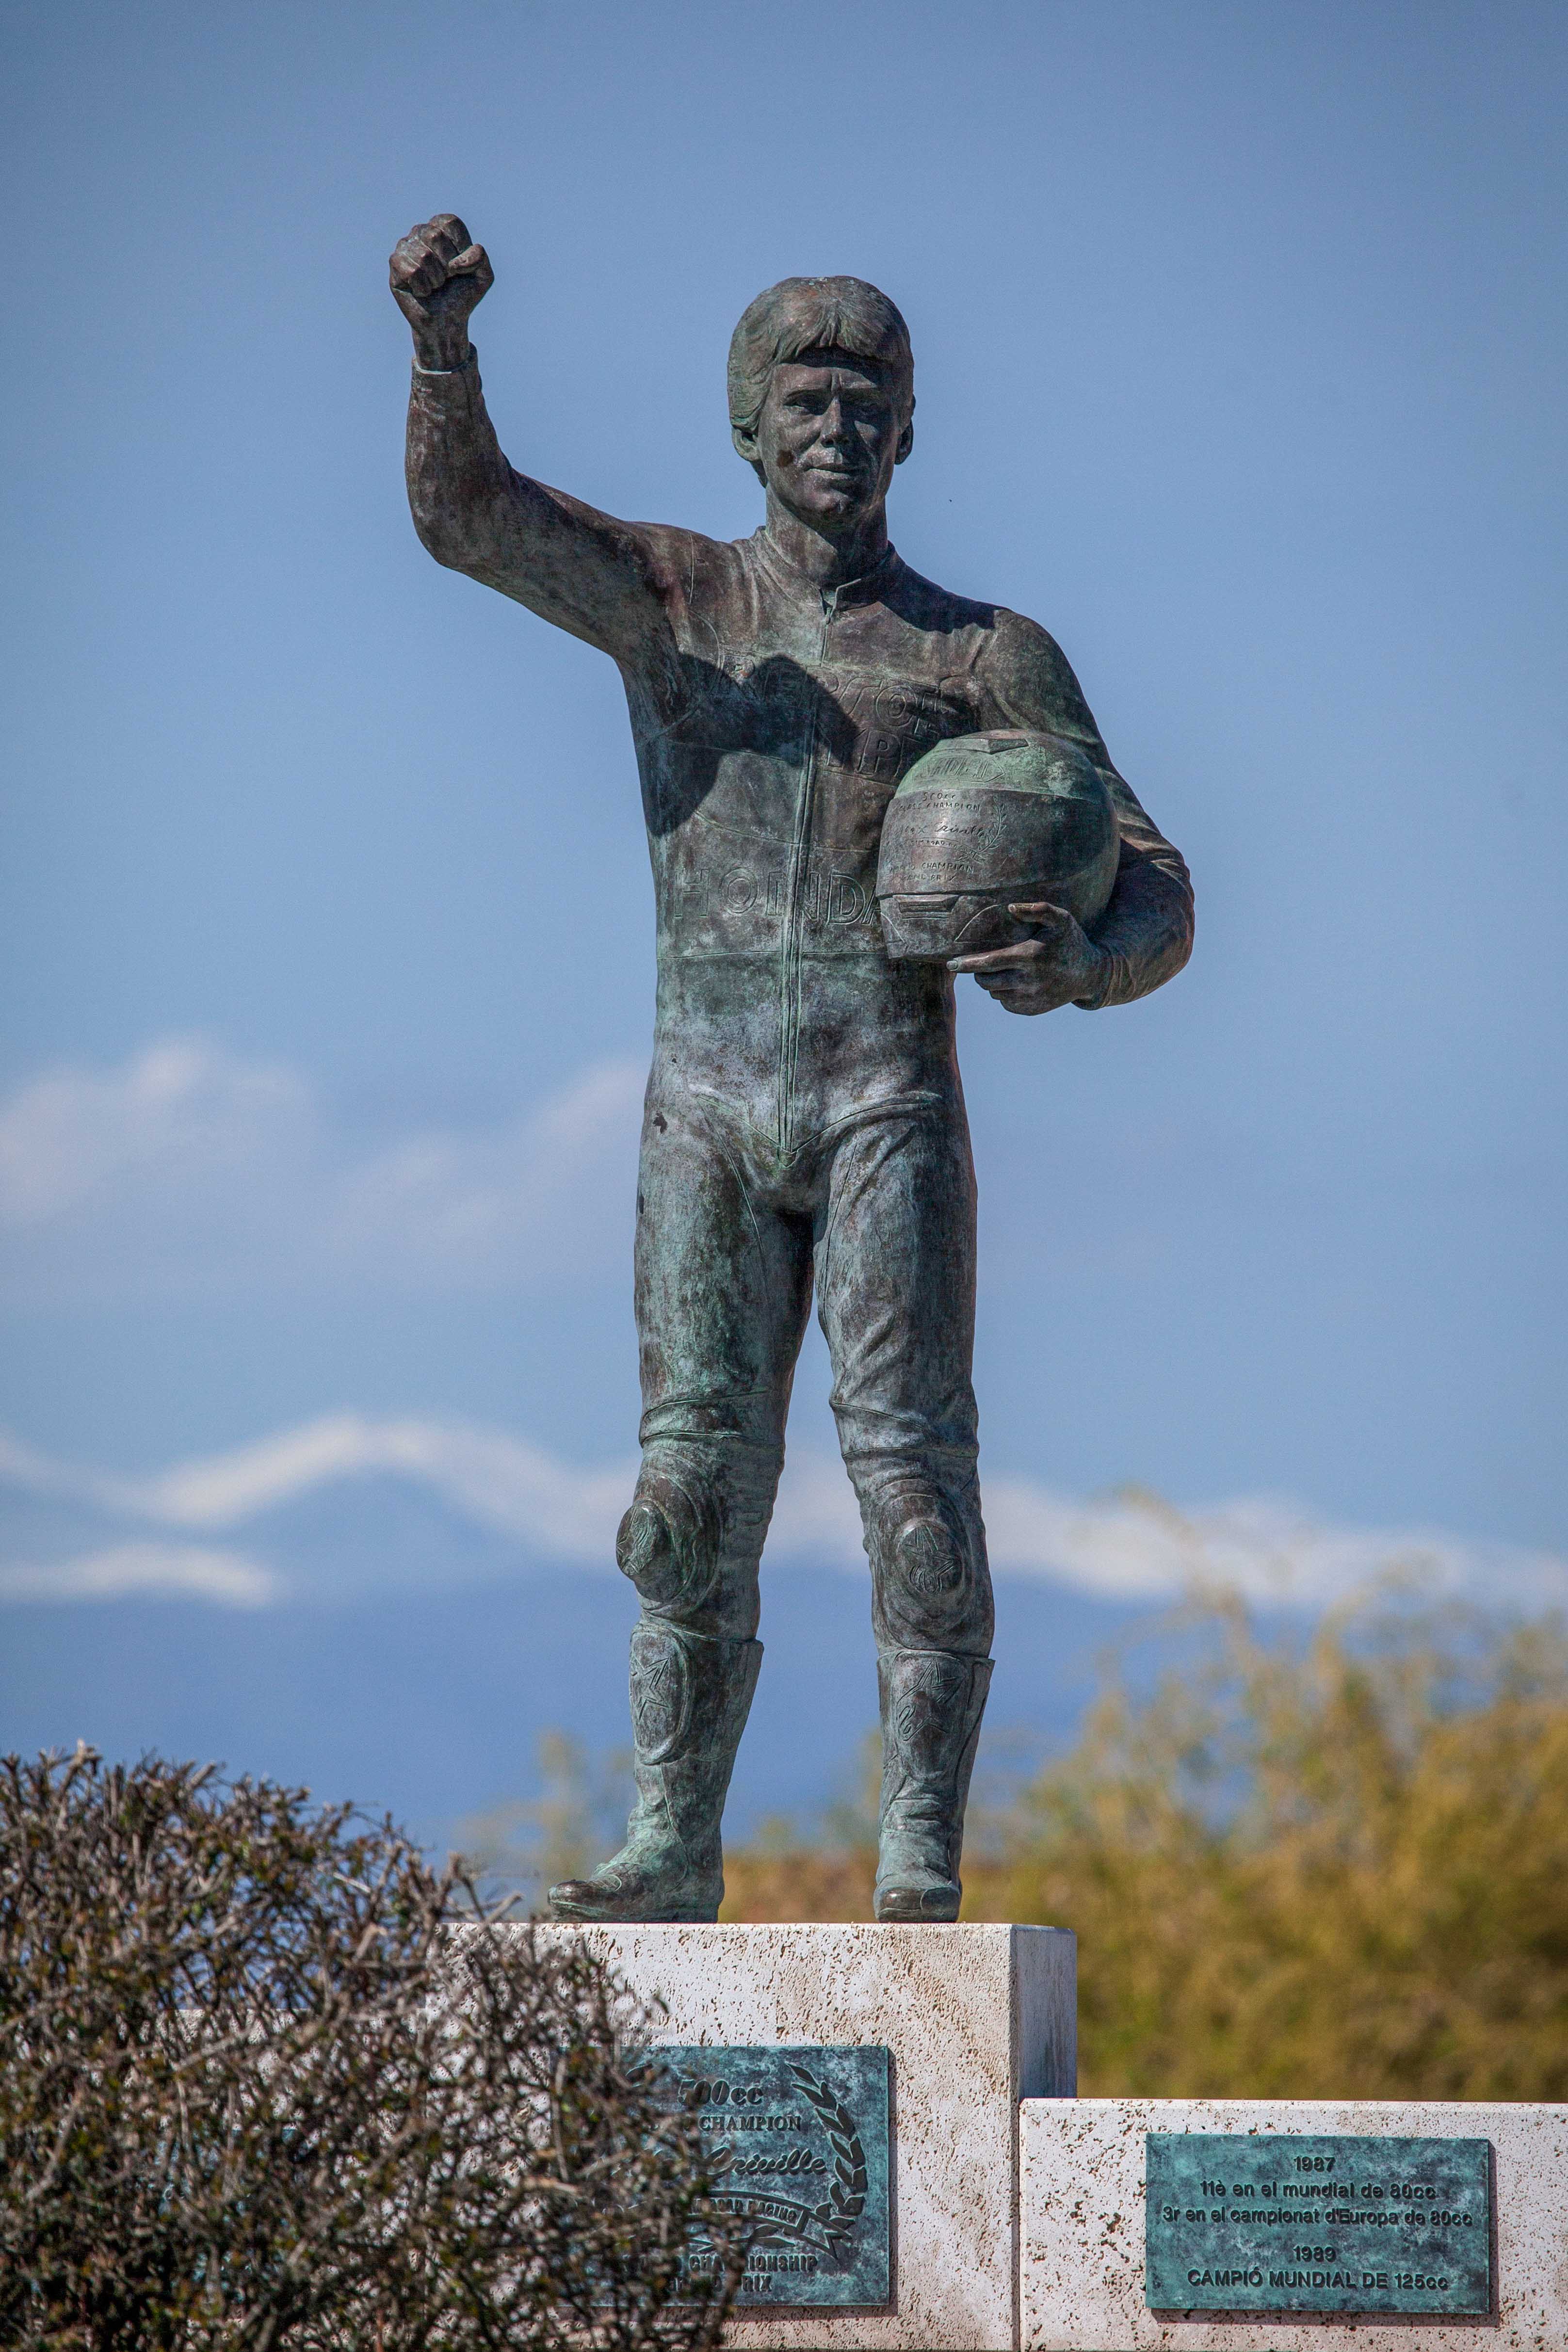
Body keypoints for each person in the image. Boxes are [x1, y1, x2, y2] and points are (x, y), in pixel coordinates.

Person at [391, 216, 1194, 1922]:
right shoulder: (672, 598)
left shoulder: (980, 655)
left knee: (912, 1479)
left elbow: (1154, 881)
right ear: (747, 425)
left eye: (867, 404)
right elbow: (470, 521)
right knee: (686, 1490)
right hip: (702, 1103)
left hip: (883, 1097)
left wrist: (1085, 964)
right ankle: (671, 1841)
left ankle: (919, 1853)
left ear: (910, 432)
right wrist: (442, 353)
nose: (838, 430)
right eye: (807, 402)